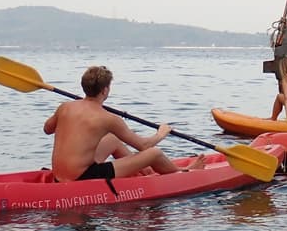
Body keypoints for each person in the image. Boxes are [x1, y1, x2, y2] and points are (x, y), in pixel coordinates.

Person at [43, 65, 205, 183]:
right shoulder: (107, 118)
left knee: (112, 139)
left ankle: (145, 171)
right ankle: (185, 172)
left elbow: (47, 129)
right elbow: (143, 145)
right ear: (105, 90)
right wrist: (162, 133)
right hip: (83, 176)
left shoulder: (65, 107)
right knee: (154, 153)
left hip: (60, 175)